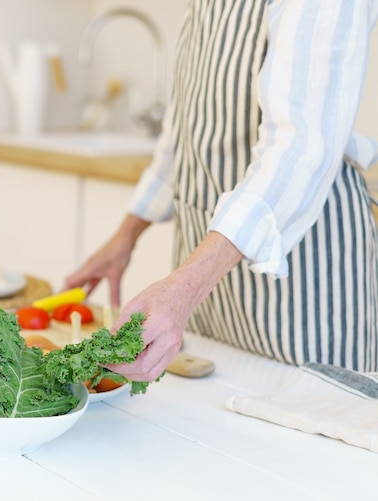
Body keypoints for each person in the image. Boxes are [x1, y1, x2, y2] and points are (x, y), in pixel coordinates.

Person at [64, 0, 378, 382]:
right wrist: (126, 235)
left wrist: (183, 289)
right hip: (211, 291)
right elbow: (184, 132)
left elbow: (300, 149)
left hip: (303, 290)